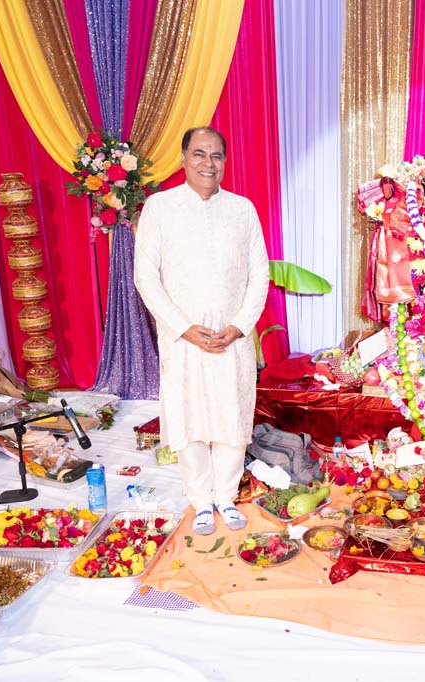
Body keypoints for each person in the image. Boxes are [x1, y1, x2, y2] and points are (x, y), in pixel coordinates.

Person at [134, 127, 270, 535]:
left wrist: (239, 326)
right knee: (188, 415)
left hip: (231, 338)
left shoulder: (242, 209)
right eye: (199, 154)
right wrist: (182, 327)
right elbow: (146, 277)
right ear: (183, 158)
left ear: (225, 162)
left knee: (232, 415)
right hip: (184, 339)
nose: (207, 163)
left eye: (216, 155)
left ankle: (225, 495)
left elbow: (259, 275)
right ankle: (200, 500)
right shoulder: (160, 207)